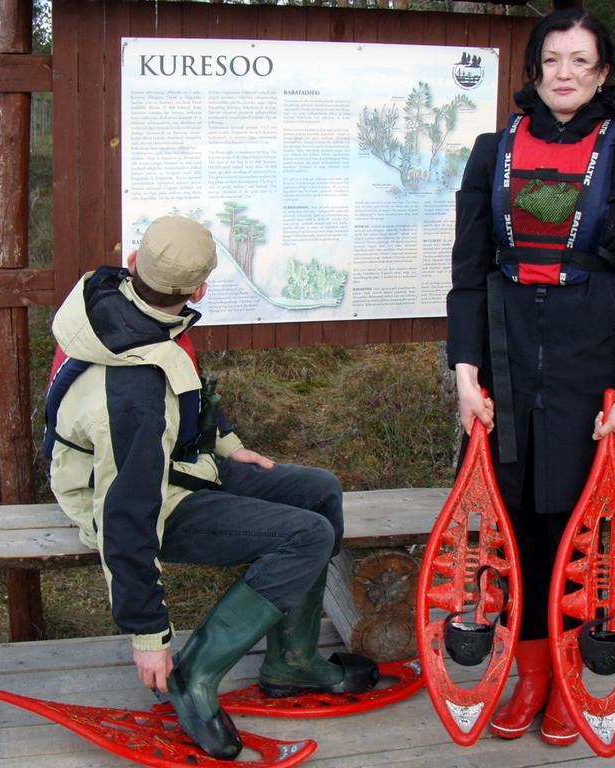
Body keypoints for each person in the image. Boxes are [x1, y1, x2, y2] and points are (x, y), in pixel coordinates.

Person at [45, 215, 378, 760]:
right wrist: (149, 637)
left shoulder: (124, 303)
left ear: (133, 263)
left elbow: (185, 386)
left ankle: (291, 663)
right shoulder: (133, 396)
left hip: (171, 459)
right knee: (307, 536)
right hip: (129, 495)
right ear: (201, 288)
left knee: (319, 490)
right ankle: (193, 674)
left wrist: (225, 442)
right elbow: (124, 514)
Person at [446, 9, 615, 747]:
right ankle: (531, 673)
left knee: (583, 533)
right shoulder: (491, 152)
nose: (565, 73)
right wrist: (465, 376)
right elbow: (469, 276)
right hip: (507, 361)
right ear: (535, 71)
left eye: (580, 61)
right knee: (512, 528)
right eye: (552, 60)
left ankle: (572, 680)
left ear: (603, 73)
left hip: (592, 368)